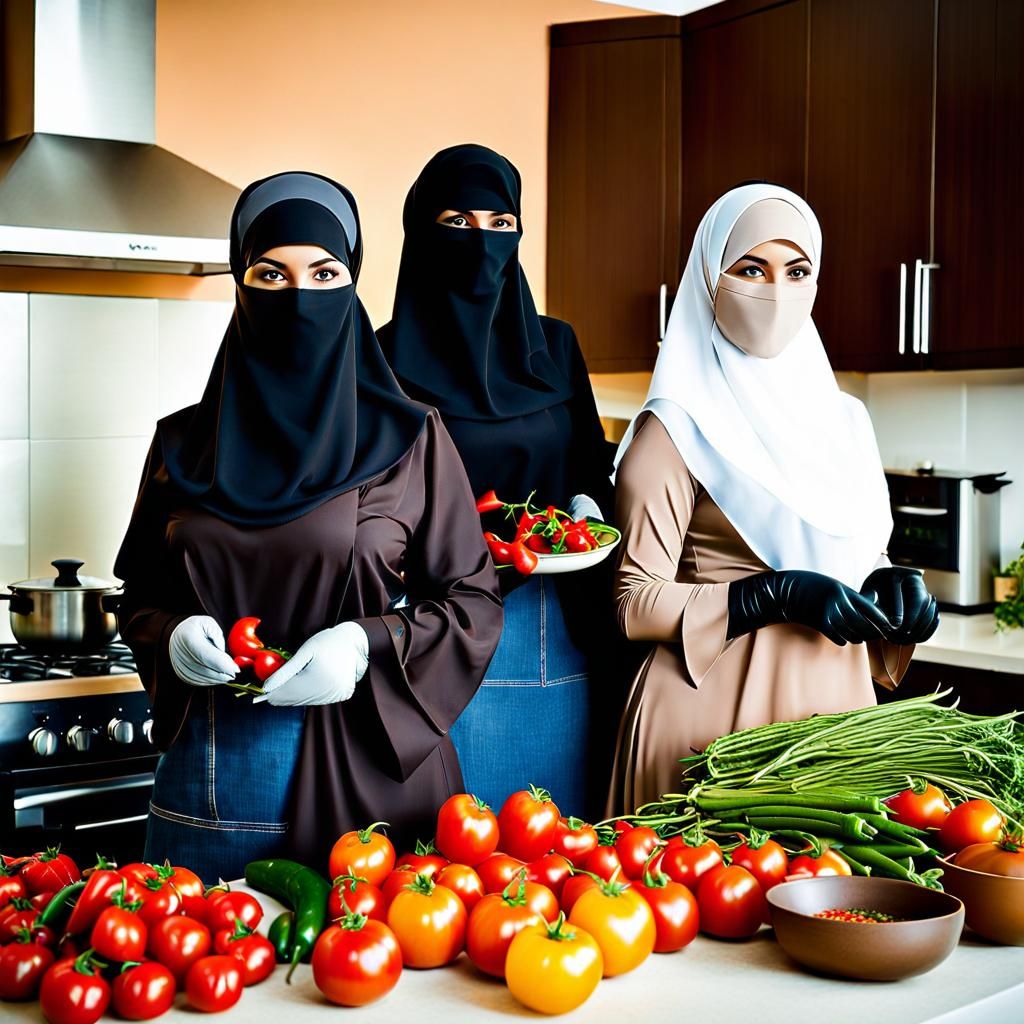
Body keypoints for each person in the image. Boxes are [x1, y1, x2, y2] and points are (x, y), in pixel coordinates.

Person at [114, 171, 502, 881]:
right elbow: (139, 594)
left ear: (352, 283)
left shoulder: (411, 438)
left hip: (372, 792)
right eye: (271, 273)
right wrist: (169, 633)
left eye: (324, 273)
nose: (298, 296)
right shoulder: (180, 445)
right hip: (210, 779)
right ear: (240, 284)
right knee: (185, 951)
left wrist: (364, 643)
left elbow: (472, 603)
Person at [608, 183, 939, 814]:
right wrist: (771, 596)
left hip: (838, 721)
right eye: (751, 269)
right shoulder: (673, 427)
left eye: (797, 270)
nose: (777, 290)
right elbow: (633, 603)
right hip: (713, 730)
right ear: (709, 279)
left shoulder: (846, 422)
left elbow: (851, 551)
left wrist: (890, 584)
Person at [377, 144, 616, 817]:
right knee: (442, 846)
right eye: (457, 222)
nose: (481, 241)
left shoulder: (557, 347)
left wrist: (587, 508)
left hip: (547, 621)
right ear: (420, 231)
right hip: (429, 626)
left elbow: (588, 466)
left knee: (551, 836)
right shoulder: (380, 356)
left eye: (500, 224)